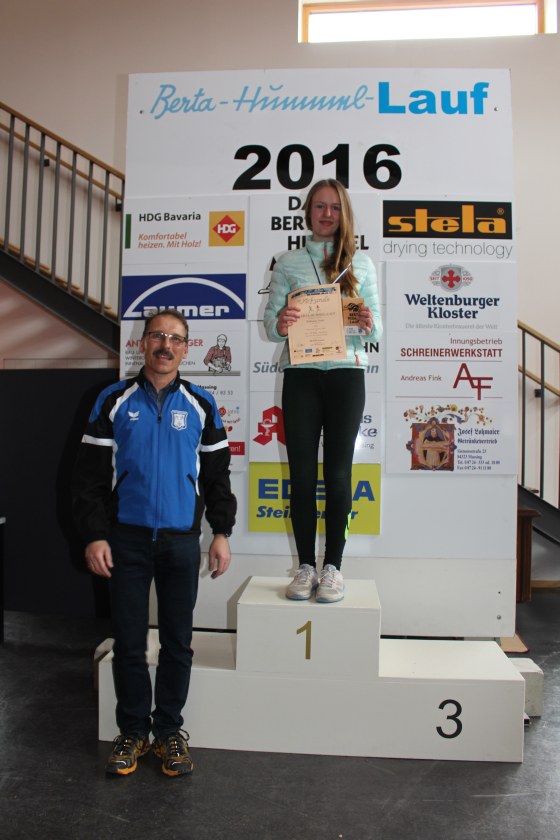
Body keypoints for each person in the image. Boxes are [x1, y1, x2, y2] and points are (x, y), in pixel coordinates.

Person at [72, 308, 236, 777]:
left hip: (181, 542)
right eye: (158, 336)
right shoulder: (112, 400)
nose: (166, 345)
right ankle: (132, 732)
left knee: (178, 643)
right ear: (142, 343)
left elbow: (218, 477)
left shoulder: (201, 403)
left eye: (176, 338)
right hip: (125, 539)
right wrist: (95, 535)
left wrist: (221, 532)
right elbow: (87, 479)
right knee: (128, 642)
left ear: (186, 349)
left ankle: (168, 732)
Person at [263, 179, 382, 604]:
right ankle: (305, 567)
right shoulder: (289, 262)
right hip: (302, 374)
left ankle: (333, 566)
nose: (327, 214)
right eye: (319, 206)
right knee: (300, 475)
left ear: (343, 213)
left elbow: (377, 328)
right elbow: (270, 325)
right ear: (308, 212)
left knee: (338, 474)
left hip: (347, 375)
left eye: (334, 207)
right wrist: (281, 322)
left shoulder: (361, 263)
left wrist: (369, 322)